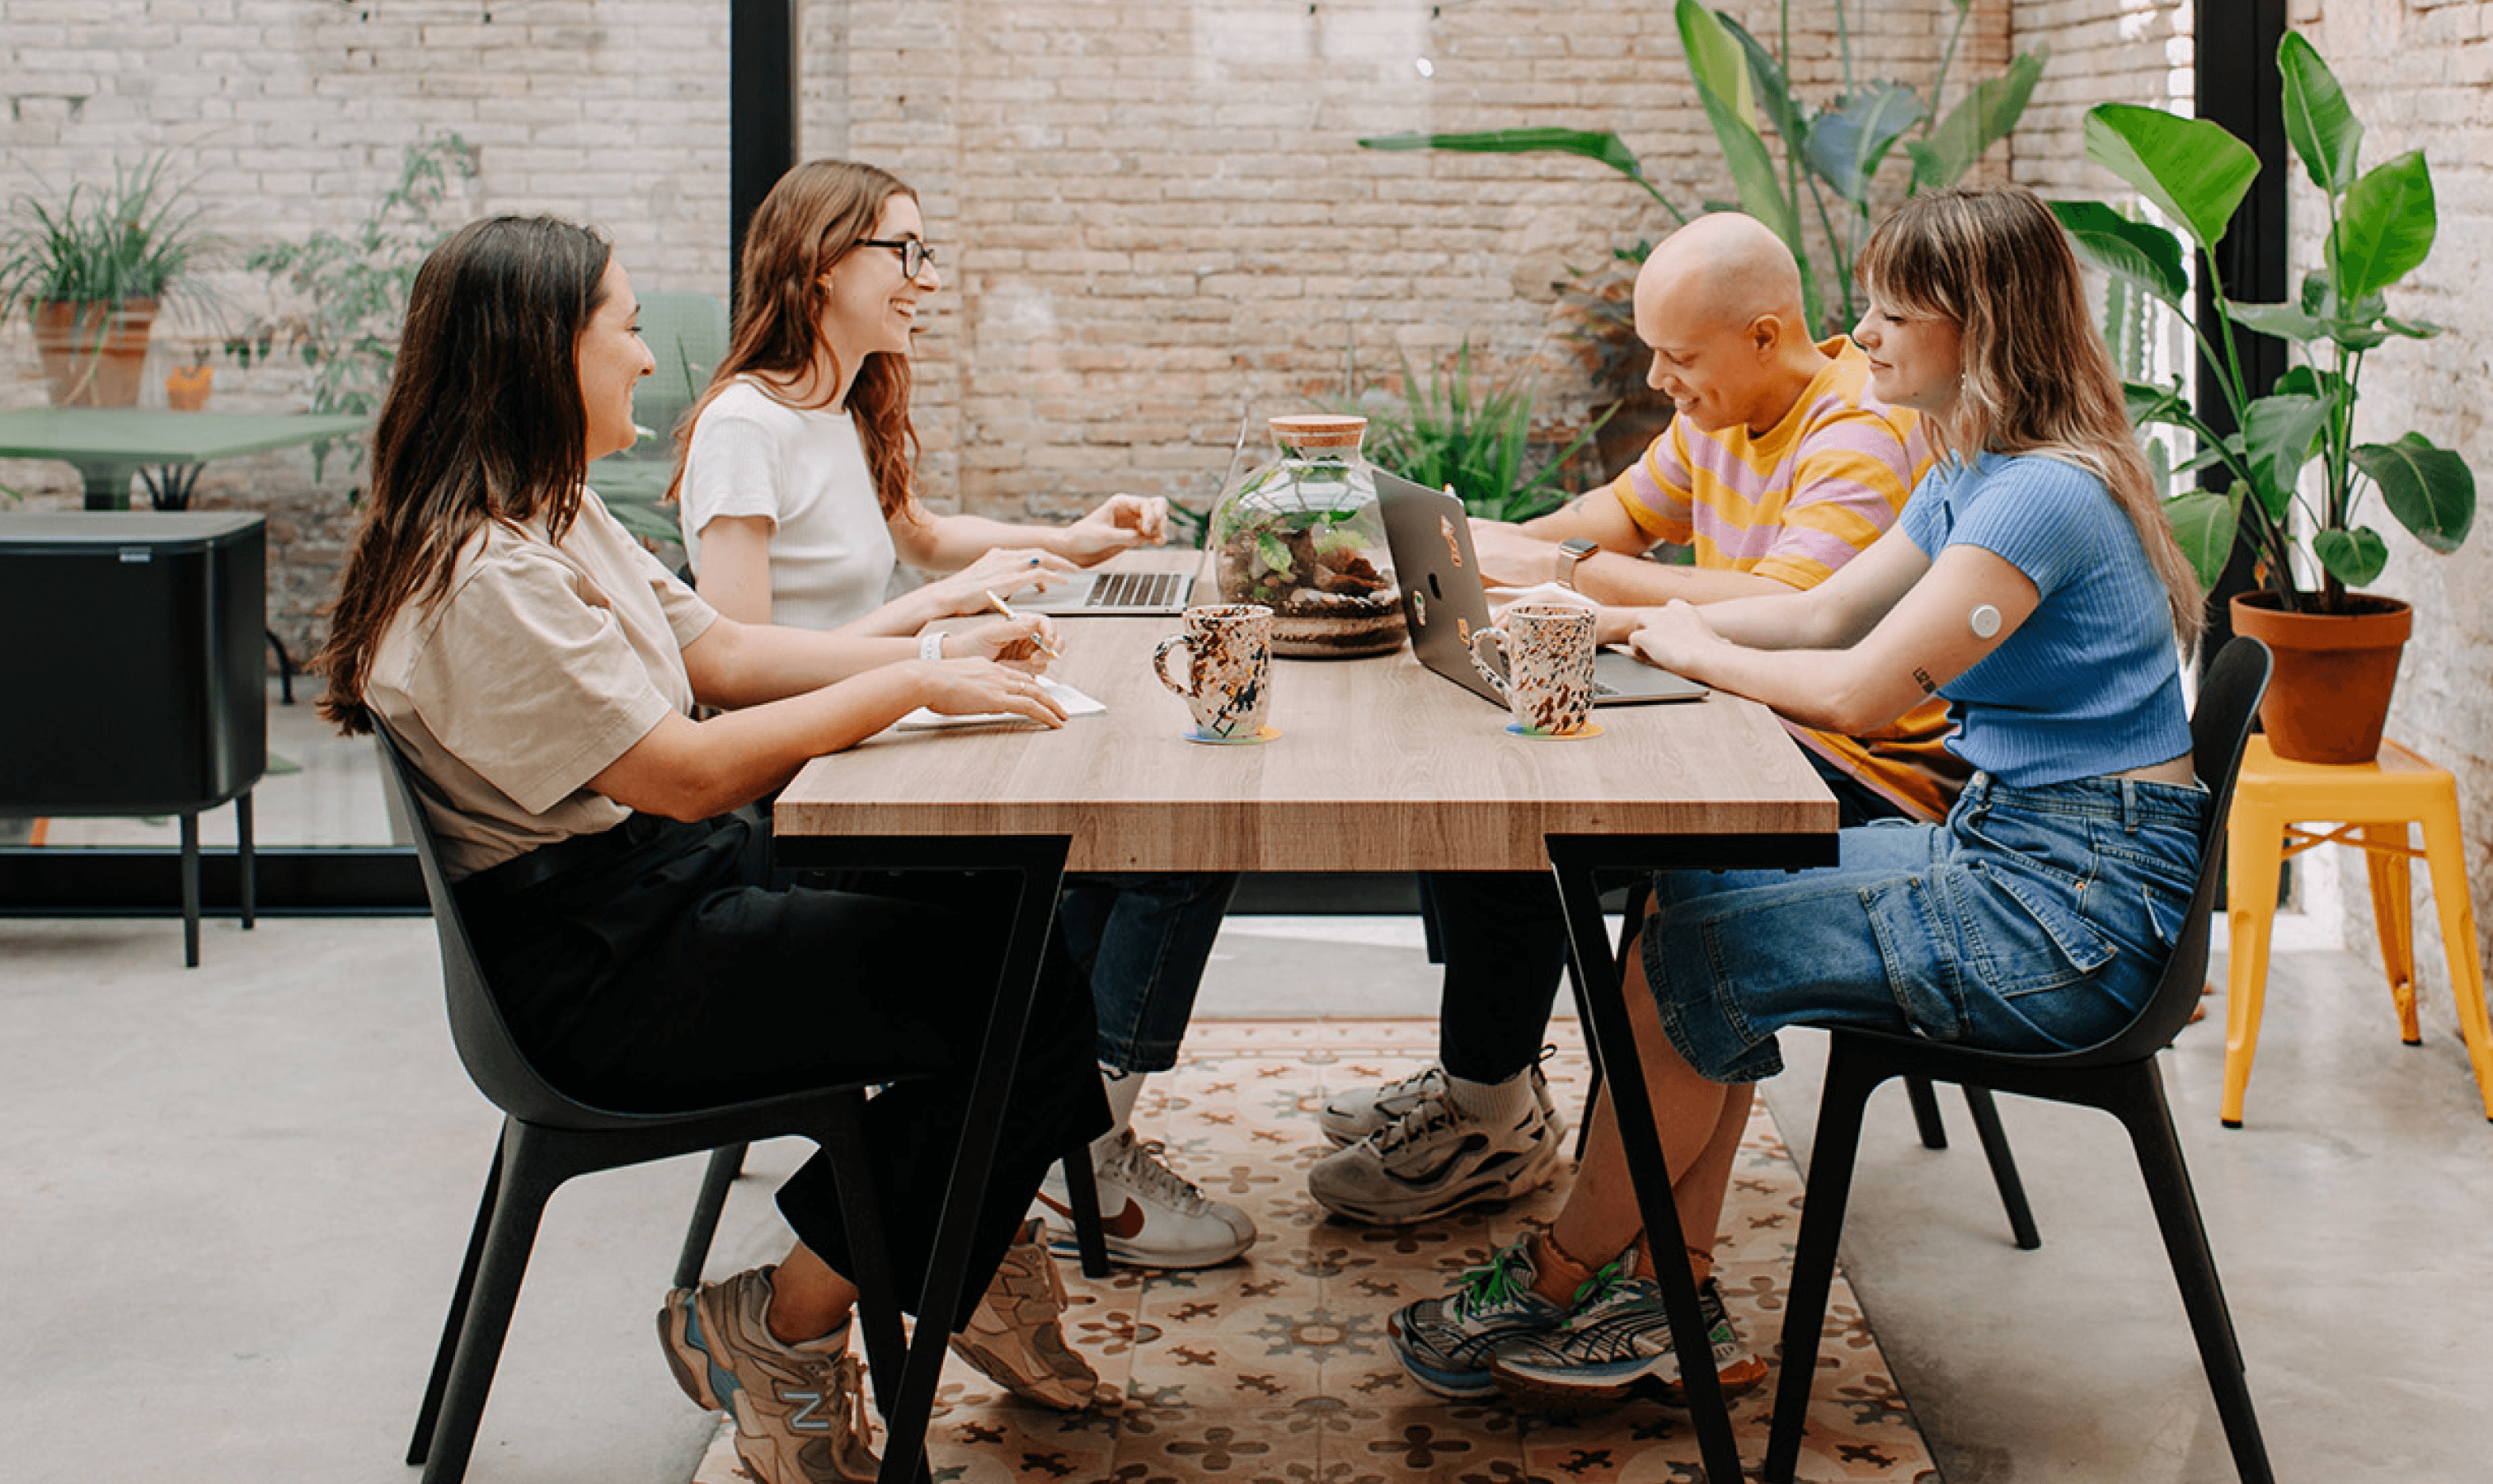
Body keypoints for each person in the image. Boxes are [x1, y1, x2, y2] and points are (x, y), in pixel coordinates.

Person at [1386, 184, 2213, 1408]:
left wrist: (1682, 642)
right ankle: (1672, 1300)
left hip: (2073, 915)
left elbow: (1860, 691)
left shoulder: (2040, 495)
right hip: (2021, 854)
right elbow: (1816, 610)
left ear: (1978, 331)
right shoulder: (1971, 470)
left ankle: (1564, 1276)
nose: (1860, 336)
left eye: (1891, 314)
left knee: (1684, 965)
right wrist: (1626, 617)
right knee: (1696, 899)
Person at [315, 214, 1113, 1482]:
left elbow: (725, 657)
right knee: (1019, 1006)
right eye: (624, 328)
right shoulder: (483, 577)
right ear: (538, 354)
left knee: (1006, 914)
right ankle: (783, 1326)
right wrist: (916, 684)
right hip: (602, 971)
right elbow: (686, 775)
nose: (647, 358)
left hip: (655, 896)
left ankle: (968, 1227)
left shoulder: (550, 514)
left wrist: (931, 658)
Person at [1309, 210, 1962, 1224]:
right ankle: (1490, 1093)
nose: (1659, 381)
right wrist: (1484, 550)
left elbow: (1785, 618)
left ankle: (1493, 1115)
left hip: (1845, 759)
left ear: (1761, 334)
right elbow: (1603, 522)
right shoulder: (1718, 412)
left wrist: (1565, 574)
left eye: (1676, 356)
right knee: (1487, 777)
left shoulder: (1857, 429)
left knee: (1524, 811)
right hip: (1748, 712)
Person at [670, 158, 1252, 1273]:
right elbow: (734, 669)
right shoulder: (745, 427)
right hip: (811, 798)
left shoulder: (838, 410)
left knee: (1150, 817)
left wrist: (1073, 541)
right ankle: (1075, 1135)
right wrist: (929, 634)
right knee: (1149, 852)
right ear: (820, 264)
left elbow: (921, 536)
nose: (925, 280)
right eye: (906, 251)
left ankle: (1063, 1125)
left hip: (880, 742)